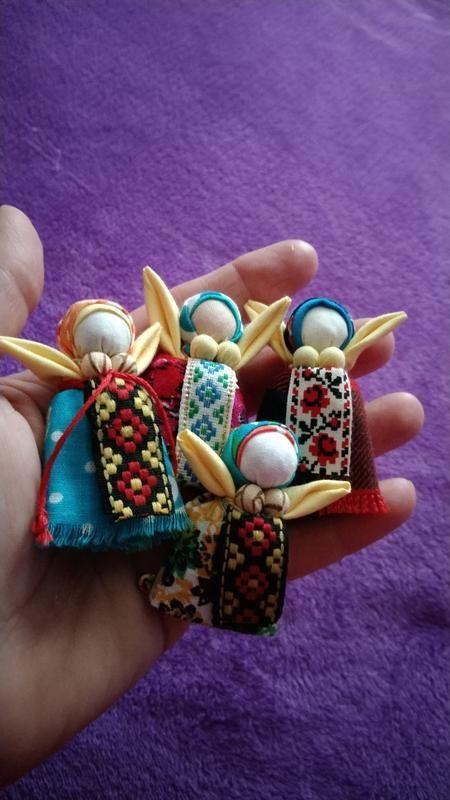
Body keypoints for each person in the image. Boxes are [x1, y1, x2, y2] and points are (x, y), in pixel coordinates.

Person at [0, 205, 423, 786]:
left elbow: (236, 435)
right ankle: (111, 521)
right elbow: (170, 429)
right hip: (189, 482)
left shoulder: (258, 387)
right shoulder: (143, 382)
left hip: (225, 486)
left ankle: (181, 550)